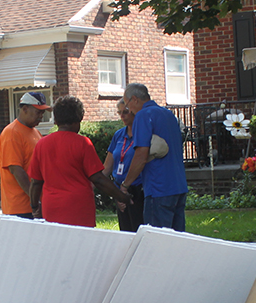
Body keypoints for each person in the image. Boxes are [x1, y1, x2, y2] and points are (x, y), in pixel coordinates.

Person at [28, 95, 132, 228]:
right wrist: (122, 197)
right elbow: (98, 179)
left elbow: (36, 182)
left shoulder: (41, 144)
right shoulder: (83, 143)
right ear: (78, 119)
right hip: (79, 208)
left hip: (52, 207)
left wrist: (34, 206)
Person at [120, 83, 188, 231]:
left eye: (127, 104)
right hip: (179, 186)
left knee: (157, 242)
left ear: (134, 99)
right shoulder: (168, 114)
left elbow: (141, 155)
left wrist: (125, 185)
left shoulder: (143, 116)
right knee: (177, 241)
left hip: (158, 188)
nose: (128, 110)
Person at [0, 92, 51, 218]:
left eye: (43, 113)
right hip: (19, 208)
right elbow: (16, 170)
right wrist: (35, 201)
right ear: (25, 109)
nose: (41, 116)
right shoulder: (11, 133)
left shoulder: (35, 132)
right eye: (38, 112)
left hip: (34, 205)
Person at [103, 98, 144, 232]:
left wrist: (125, 189)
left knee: (138, 229)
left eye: (125, 112)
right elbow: (107, 166)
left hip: (137, 189)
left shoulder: (143, 134)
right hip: (119, 190)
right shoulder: (119, 135)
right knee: (125, 231)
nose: (122, 116)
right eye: (119, 112)